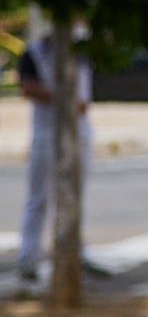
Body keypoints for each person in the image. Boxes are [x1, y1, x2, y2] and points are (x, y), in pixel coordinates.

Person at [17, 28, 93, 286]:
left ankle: (76, 252)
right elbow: (27, 87)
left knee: (75, 195)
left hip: (79, 132)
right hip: (46, 134)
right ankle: (28, 256)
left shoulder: (82, 50)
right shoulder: (34, 53)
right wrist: (63, 100)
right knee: (38, 198)